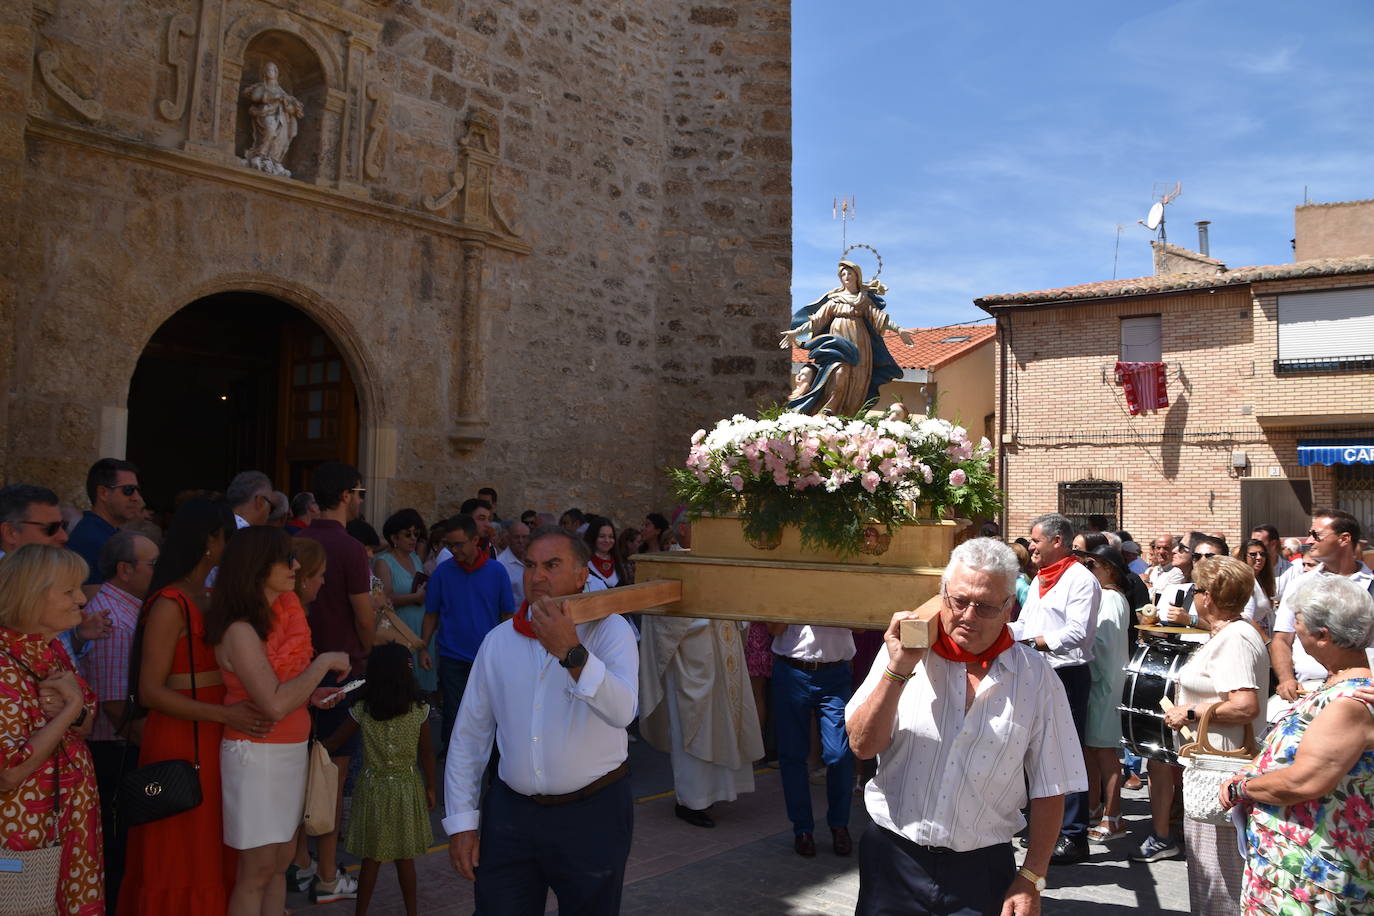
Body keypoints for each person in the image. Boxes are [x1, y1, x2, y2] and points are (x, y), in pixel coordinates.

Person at [846, 538, 1086, 916]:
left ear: (1009, 607)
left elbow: (1051, 786)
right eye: (958, 601)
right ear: (942, 594)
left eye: (986, 606)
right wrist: (898, 669)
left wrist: (1032, 877)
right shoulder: (906, 657)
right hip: (893, 860)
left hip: (982, 871)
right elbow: (862, 746)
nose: (968, 616)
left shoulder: (1036, 677)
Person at [443, 529, 639, 914]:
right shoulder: (499, 641)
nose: (537, 577)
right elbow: (470, 736)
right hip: (511, 815)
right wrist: (462, 822)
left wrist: (571, 651)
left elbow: (622, 711)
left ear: (581, 575)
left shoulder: (610, 630)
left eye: (552, 565)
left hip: (592, 814)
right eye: (530, 565)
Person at [119, 497, 266, 916]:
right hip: (183, 737)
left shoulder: (207, 595)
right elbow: (150, 691)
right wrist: (226, 714)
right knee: (183, 843)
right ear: (211, 540)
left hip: (215, 732)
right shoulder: (169, 602)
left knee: (215, 839)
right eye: (229, 536)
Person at [206, 526, 351, 916]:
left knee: (278, 865)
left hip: (284, 753)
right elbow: (272, 703)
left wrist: (309, 693)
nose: (296, 566)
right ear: (258, 566)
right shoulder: (240, 629)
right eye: (286, 559)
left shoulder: (273, 620)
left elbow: (281, 692)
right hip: (257, 756)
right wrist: (322, 664)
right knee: (256, 872)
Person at [1220, 575, 1374, 914]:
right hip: (1292, 871)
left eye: (1298, 622)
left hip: (1312, 877)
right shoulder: (1335, 687)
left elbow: (1305, 780)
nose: (1293, 632)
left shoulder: (1349, 702)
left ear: (1323, 636)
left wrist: (1241, 788)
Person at [1147, 555, 1266, 913]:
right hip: (1211, 765)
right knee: (1210, 872)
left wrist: (1191, 711)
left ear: (1209, 596)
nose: (1194, 596)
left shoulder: (1237, 639)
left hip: (1224, 768)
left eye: (1197, 589)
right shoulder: (1226, 634)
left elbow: (1245, 706)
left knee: (1224, 875)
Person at [0, 544, 103, 915]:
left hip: (68, 822)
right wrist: (71, 710)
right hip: (22, 834)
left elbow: (87, 725)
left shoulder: (51, 649)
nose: (81, 598)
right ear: (32, 594)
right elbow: (9, 771)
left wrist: (75, 714)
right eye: (69, 590)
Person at [296, 461, 374, 902]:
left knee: (300, 773)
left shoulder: (298, 540)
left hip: (297, 669)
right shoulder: (347, 549)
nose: (361, 499)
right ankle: (327, 873)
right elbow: (364, 616)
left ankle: (301, 863)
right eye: (359, 492)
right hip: (342, 673)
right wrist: (369, 652)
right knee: (333, 778)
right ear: (345, 495)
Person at [1010, 512, 1099, 864]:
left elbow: (1079, 632)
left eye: (1035, 540)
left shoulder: (1081, 580)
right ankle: (1044, 826)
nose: (1030, 546)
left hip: (1067, 674)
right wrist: (1005, 634)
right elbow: (1027, 622)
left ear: (1057, 541)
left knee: (1065, 752)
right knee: (1033, 749)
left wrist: (1034, 642)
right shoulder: (1040, 579)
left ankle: (1073, 834)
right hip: (1037, 670)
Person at [324, 642, 436, 916]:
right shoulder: (418, 710)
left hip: (372, 789)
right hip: (406, 788)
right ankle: (412, 913)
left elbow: (334, 742)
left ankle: (360, 913)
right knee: (404, 859)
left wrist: (309, 745)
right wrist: (431, 786)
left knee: (370, 859)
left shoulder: (363, 709)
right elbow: (427, 754)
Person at [79, 530, 158, 903]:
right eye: (153, 565)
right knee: (118, 849)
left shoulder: (128, 610)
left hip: (122, 747)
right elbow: (113, 704)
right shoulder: (114, 619)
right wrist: (154, 745)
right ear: (125, 569)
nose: (159, 571)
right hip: (115, 751)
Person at [638, 611, 762, 828]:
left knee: (723, 718)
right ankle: (691, 800)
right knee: (694, 723)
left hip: (722, 639)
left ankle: (714, 793)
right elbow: (664, 609)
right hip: (690, 643)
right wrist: (707, 612)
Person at [419, 514, 513, 751]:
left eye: (458, 544)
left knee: (491, 715)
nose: (453, 550)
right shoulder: (442, 573)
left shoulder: (497, 571)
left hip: (488, 658)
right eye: (449, 545)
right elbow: (431, 614)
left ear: (475, 540)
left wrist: (508, 652)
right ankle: (453, 766)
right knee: (454, 714)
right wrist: (423, 648)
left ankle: (492, 772)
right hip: (453, 657)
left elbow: (506, 616)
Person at [1269, 509, 1373, 718]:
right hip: (1306, 691)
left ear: (1344, 539)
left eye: (1317, 535)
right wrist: (1286, 678)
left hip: (1362, 694)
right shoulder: (1300, 584)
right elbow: (1281, 638)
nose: (1309, 540)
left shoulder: (1371, 586)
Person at [780, 259, 915, 415]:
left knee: (857, 379)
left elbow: (879, 317)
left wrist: (899, 330)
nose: (846, 276)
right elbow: (816, 321)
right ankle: (828, 410)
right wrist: (796, 332)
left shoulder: (863, 300)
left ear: (857, 276)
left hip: (859, 344)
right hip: (837, 345)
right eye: (843, 274)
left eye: (849, 273)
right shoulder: (834, 300)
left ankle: (848, 415)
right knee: (838, 372)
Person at [769, 622, 856, 857]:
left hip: (835, 674)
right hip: (791, 671)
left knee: (839, 754)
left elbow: (862, 625)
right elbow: (774, 628)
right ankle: (802, 829)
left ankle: (839, 824)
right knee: (792, 755)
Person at [1079, 545, 1132, 844]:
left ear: (1109, 569)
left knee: (1105, 751)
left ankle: (1114, 817)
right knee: (1092, 749)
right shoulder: (1108, 597)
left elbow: (1103, 645)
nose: (1088, 570)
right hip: (1101, 682)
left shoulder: (1111, 598)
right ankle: (1094, 808)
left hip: (1105, 684)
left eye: (1092, 565)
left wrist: (1089, 674)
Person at [375, 509, 436, 696]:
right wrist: (415, 598)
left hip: (420, 625)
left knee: (421, 686)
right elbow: (382, 599)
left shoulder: (415, 558)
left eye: (416, 534)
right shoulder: (383, 562)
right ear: (394, 537)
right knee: (401, 684)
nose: (413, 539)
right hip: (400, 626)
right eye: (407, 534)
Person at [68, 457, 144, 584]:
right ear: (103, 493)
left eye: (137, 490)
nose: (136, 497)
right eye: (128, 490)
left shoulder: (105, 532)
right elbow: (93, 596)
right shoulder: (90, 539)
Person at [583, 515, 627, 591]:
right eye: (602, 536)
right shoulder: (583, 564)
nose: (607, 540)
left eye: (611, 536)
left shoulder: (619, 563)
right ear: (593, 537)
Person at [495, 520, 530, 606]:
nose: (520, 541)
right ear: (508, 539)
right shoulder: (500, 564)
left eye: (524, 537)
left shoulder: (536, 559)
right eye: (516, 537)